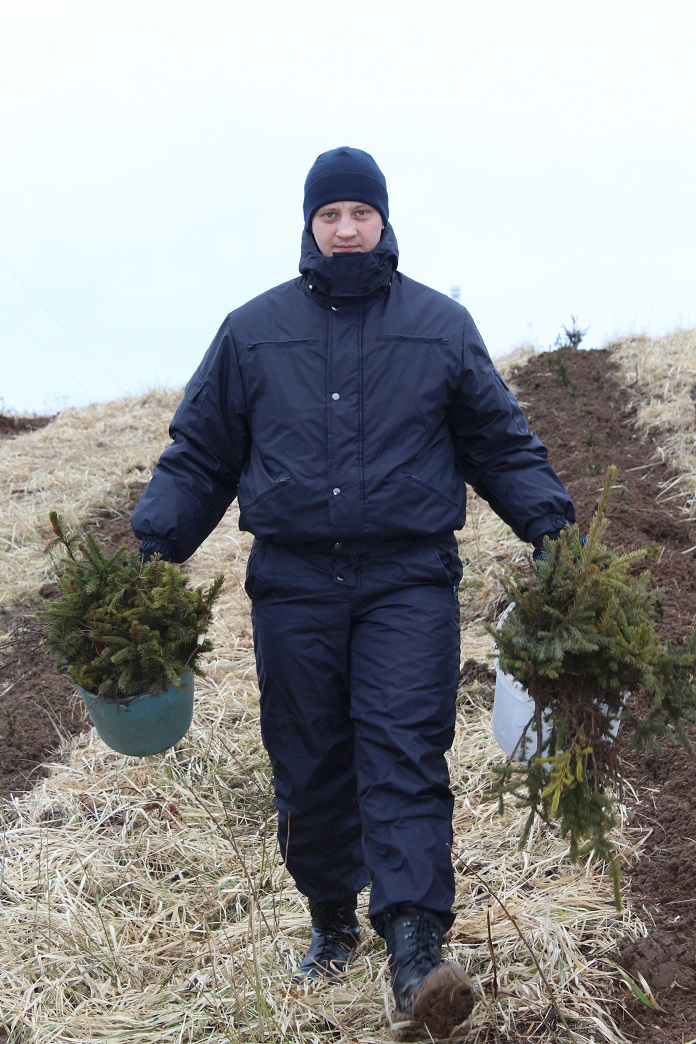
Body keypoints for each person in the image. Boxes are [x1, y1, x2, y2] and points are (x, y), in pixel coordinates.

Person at [131, 146, 575, 1040]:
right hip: (293, 583)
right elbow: (202, 454)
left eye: (359, 213)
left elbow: (499, 443)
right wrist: (152, 548)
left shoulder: (439, 327)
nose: (344, 228)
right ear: (310, 224)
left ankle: (414, 951)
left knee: (405, 750)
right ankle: (332, 918)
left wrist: (552, 531)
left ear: (384, 221)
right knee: (309, 758)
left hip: (407, 580)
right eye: (329, 214)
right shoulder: (253, 332)